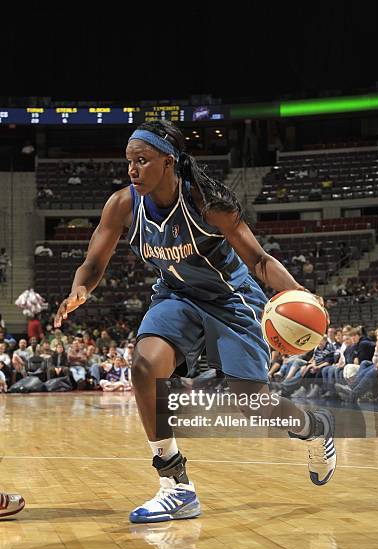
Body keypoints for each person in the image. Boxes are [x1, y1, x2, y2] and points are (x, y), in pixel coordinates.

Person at [53, 120, 335, 525]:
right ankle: (176, 486)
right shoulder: (123, 204)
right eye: (129, 161)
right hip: (177, 297)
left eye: (142, 160)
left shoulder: (206, 201)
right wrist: (80, 289)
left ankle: (314, 427)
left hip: (230, 301)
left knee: (252, 403)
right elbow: (94, 262)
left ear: (169, 162)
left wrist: (297, 294)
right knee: (145, 365)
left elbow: (258, 260)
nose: (132, 170)